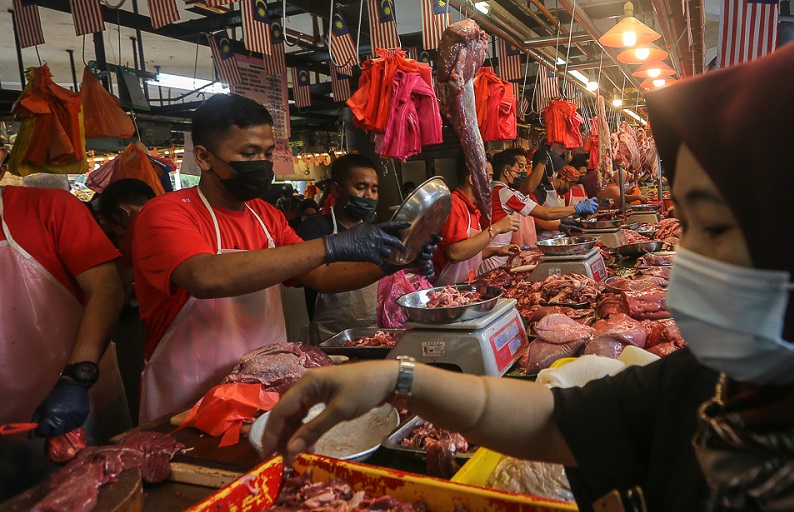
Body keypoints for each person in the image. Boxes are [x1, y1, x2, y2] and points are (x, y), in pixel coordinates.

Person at [263, 39, 794, 512]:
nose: (687, 259)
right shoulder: (732, 381)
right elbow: (552, 415)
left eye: (710, 226)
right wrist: (397, 378)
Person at [132, 94, 426, 422]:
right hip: (187, 401)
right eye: (248, 153)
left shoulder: (267, 215)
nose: (262, 162)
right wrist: (331, 244)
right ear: (203, 157)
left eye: (267, 153)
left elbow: (323, 277)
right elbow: (204, 276)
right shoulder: (166, 213)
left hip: (267, 390)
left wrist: (391, 260)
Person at [0, 146, 130, 499]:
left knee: (104, 506)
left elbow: (107, 290)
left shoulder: (50, 208)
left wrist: (78, 377)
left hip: (77, 408)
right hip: (5, 428)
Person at [297, 153, 434, 341]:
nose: (369, 195)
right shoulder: (316, 228)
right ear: (336, 189)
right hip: (331, 340)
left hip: (376, 335)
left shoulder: (376, 231)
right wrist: (389, 263)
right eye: (360, 187)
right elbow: (322, 277)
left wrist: (413, 264)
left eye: (374, 189)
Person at [94, 178, 157, 423]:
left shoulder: (142, 220)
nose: (118, 235)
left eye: (116, 228)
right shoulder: (179, 213)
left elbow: (115, 286)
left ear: (123, 212)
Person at [480, 151, 598, 273]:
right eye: (517, 170)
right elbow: (545, 213)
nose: (519, 174)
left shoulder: (491, 190)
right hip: (493, 256)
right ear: (506, 172)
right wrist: (577, 208)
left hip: (492, 251)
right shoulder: (504, 192)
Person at [433, 155, 519, 285]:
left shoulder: (473, 208)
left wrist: (495, 251)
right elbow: (455, 253)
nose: (491, 183)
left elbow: (468, 253)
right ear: (472, 179)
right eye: (489, 177)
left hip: (463, 285)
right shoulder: (455, 205)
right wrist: (496, 228)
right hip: (444, 291)